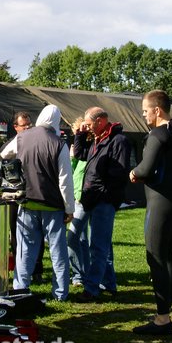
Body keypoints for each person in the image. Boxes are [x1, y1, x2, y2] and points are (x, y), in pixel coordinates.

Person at [130, 90, 172, 335]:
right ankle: (164, 313)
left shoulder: (157, 134)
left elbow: (145, 170)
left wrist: (133, 173)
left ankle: (162, 319)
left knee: (155, 257)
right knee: (168, 256)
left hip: (161, 202)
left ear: (157, 110)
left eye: (145, 110)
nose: (144, 115)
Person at [12, 104, 75, 301]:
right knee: (58, 251)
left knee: (25, 251)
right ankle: (60, 293)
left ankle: (20, 289)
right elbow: (65, 180)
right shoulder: (59, 144)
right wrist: (69, 208)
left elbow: (3, 155)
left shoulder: (22, 137)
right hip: (52, 205)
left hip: (27, 203)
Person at [73, 107, 131, 302]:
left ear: (100, 121)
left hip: (103, 199)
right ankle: (109, 283)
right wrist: (80, 134)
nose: (87, 128)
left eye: (89, 124)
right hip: (90, 197)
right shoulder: (96, 139)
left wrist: (102, 191)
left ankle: (91, 288)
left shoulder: (117, 141)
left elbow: (119, 173)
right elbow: (80, 155)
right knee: (96, 242)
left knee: (97, 245)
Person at [0, 111, 45, 284]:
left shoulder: (38, 140)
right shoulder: (13, 143)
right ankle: (21, 268)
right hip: (14, 193)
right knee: (15, 232)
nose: (27, 128)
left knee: (36, 232)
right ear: (16, 127)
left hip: (34, 192)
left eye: (29, 125)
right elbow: (1, 157)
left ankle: (37, 270)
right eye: (23, 126)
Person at [67, 117, 90, 288]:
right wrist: (71, 157)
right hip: (76, 195)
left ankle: (78, 275)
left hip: (84, 197)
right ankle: (85, 273)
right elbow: (72, 171)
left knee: (73, 237)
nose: (76, 135)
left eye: (78, 132)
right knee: (82, 239)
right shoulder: (77, 148)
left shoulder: (92, 147)